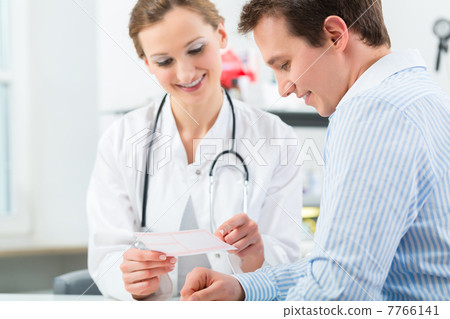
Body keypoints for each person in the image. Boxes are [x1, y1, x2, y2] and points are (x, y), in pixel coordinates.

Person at [180, 0, 450, 301]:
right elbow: (338, 265)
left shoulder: (374, 111)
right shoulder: (420, 94)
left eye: (284, 65)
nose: (284, 88)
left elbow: (340, 290)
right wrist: (245, 287)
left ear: (335, 35)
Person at [87, 0, 303, 301]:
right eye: (164, 61)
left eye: (196, 49)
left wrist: (258, 257)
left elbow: (291, 258)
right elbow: (106, 254)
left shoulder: (276, 137)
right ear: (147, 63)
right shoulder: (121, 140)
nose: (186, 73)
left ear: (221, 36)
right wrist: (128, 278)